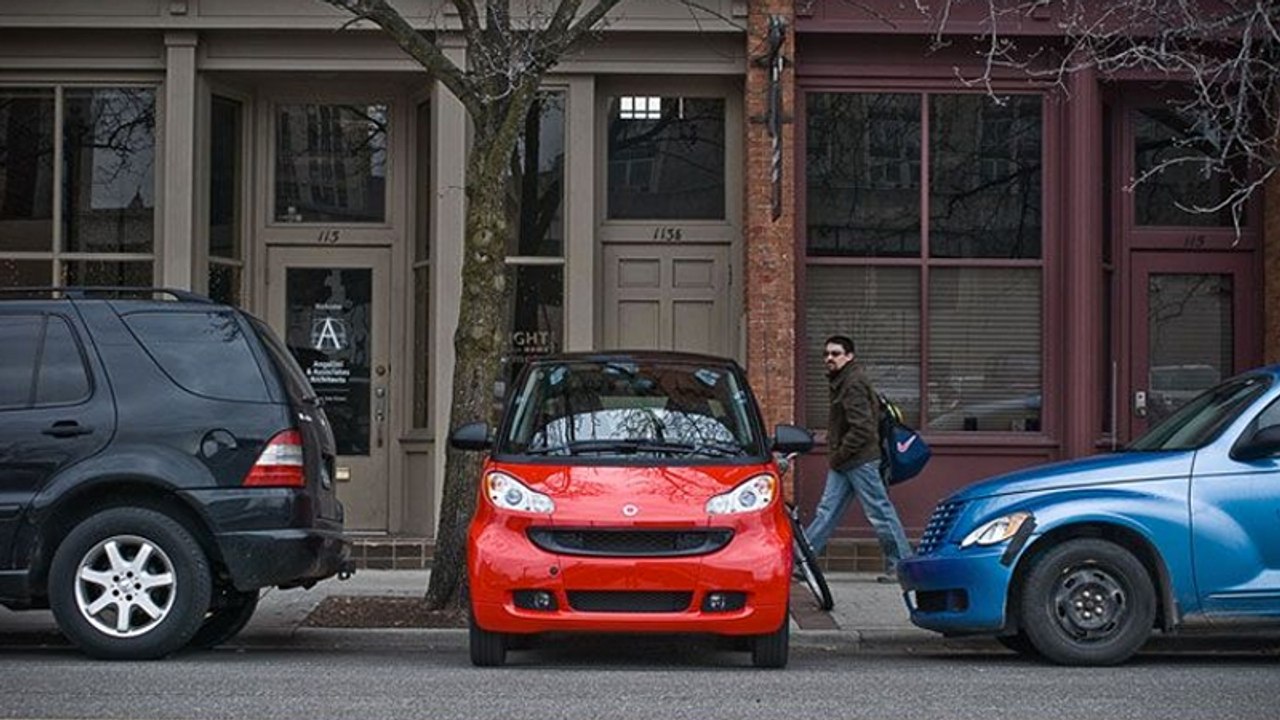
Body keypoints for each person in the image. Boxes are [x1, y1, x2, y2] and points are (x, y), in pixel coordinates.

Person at [804, 335, 913, 583]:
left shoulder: (852, 383)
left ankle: (900, 566)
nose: (829, 358)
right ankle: (803, 562)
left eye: (835, 354)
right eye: (826, 354)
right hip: (846, 460)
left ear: (849, 356)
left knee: (879, 512)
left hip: (859, 460)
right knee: (826, 512)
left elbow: (863, 428)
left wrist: (840, 453)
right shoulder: (843, 380)